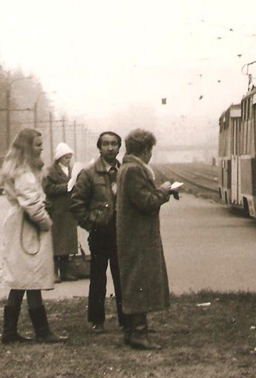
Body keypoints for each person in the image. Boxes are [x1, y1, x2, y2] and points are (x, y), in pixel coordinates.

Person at [0, 128, 66, 343]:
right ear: (27, 147)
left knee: (24, 279)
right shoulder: (25, 174)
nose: (42, 148)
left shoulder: (20, 170)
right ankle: (40, 331)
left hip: (21, 227)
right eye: (37, 144)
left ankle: (13, 332)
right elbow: (32, 206)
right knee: (29, 277)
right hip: (27, 230)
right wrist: (47, 222)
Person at [116, 128, 176, 350]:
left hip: (132, 233)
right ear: (145, 149)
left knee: (134, 280)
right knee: (139, 281)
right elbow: (145, 202)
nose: (151, 155)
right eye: (150, 150)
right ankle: (139, 333)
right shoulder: (135, 170)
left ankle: (131, 330)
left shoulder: (125, 168)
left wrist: (159, 191)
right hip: (139, 235)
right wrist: (164, 193)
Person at [70, 131, 125, 333]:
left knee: (123, 277)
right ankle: (97, 321)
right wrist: (91, 224)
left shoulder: (125, 171)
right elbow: (76, 204)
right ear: (99, 147)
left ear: (120, 147)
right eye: (106, 144)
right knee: (98, 278)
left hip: (122, 232)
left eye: (114, 144)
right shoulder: (89, 173)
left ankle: (126, 320)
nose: (110, 148)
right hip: (100, 232)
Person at [42, 142, 80, 281]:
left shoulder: (70, 170)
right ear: (59, 158)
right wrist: (66, 187)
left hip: (68, 210)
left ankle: (65, 272)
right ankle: (54, 273)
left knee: (67, 243)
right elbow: (48, 189)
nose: (68, 160)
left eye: (70, 157)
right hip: (56, 210)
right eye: (66, 157)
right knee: (56, 242)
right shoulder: (51, 171)